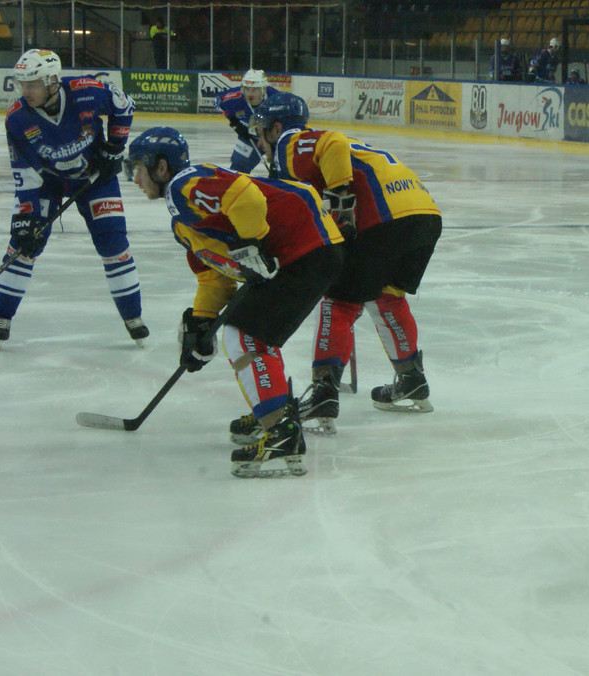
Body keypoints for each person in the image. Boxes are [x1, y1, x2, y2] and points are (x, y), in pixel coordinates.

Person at [123, 126, 344, 478]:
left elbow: (247, 198)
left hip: (305, 247)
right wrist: (201, 323)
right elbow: (213, 275)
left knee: (245, 336)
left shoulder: (184, 184)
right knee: (249, 332)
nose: (133, 178)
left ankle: (281, 433)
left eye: (136, 168)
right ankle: (273, 413)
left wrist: (251, 243)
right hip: (302, 252)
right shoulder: (182, 222)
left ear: (161, 167)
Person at [251, 92, 442, 434]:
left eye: (262, 130)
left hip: (382, 216)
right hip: (423, 214)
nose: (260, 140)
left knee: (338, 302)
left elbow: (333, 143)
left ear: (276, 127)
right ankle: (411, 379)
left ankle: (324, 392)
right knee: (387, 296)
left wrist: (341, 202)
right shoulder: (308, 151)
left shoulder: (289, 142)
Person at [0, 48, 147, 349]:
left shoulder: (86, 92)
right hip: (46, 183)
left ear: (52, 81)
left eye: (33, 84)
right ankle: (1, 316)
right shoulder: (16, 119)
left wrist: (114, 147)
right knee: (24, 243)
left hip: (95, 178)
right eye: (22, 84)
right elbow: (25, 173)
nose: (25, 91)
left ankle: (133, 316)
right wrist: (26, 219)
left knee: (113, 244)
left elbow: (124, 105)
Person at [216, 69, 279, 173]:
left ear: (263, 89)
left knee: (280, 168)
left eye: (254, 90)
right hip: (249, 136)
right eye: (247, 89)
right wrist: (235, 124)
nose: (249, 93)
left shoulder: (276, 98)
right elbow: (218, 102)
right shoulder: (234, 98)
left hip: (273, 136)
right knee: (238, 166)